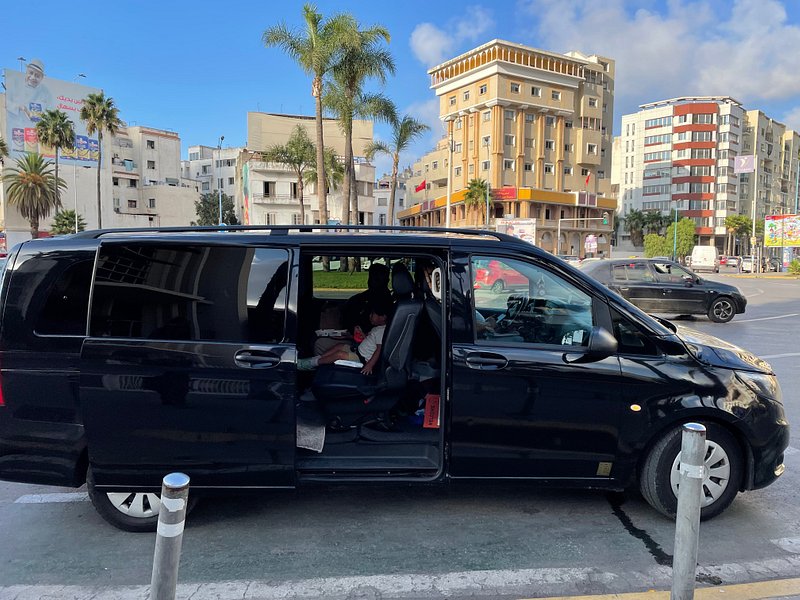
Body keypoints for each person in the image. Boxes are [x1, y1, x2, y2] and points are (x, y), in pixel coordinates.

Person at [300, 300, 391, 375]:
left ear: (383, 317)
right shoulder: (377, 329)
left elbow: (379, 350)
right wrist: (360, 334)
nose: (370, 316)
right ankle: (317, 359)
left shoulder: (381, 331)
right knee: (340, 346)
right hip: (358, 352)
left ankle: (313, 363)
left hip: (362, 359)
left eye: (373, 314)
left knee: (339, 354)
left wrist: (370, 365)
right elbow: (369, 340)